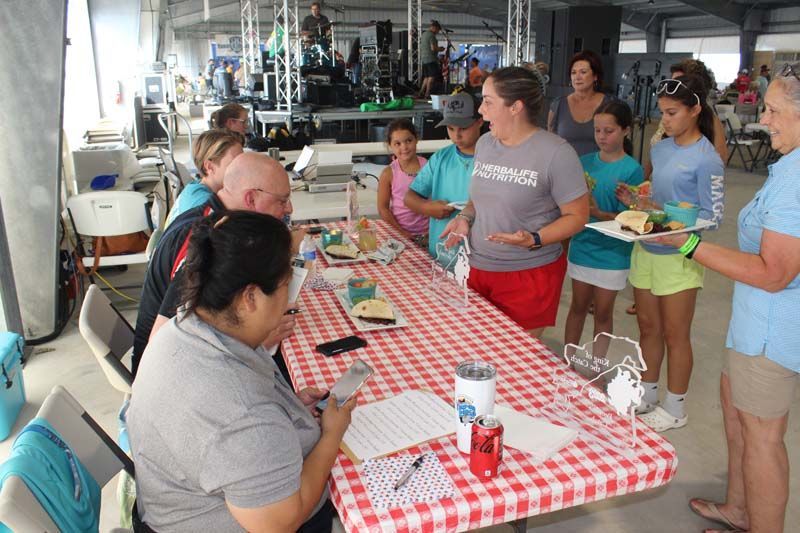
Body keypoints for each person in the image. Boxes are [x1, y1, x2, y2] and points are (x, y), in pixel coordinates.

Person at [128, 210, 356, 532]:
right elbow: (282, 522)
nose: (289, 300)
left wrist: (287, 409)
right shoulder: (242, 414)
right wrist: (332, 435)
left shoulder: (185, 327)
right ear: (250, 298)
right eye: (286, 285)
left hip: (174, 501)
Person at [655, 64, 800, 533]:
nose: (764, 119)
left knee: (762, 437)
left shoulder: (796, 182)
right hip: (752, 323)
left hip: (770, 333)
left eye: (774, 110)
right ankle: (739, 509)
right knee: (738, 420)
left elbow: (774, 273)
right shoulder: (788, 166)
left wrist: (690, 246)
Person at [441, 67, 589, 338]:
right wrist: (465, 218)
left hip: (528, 274)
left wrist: (535, 238)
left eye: (488, 102)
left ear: (515, 107)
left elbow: (578, 216)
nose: (481, 111)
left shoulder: (556, 153)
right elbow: (477, 200)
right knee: (474, 349)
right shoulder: (485, 144)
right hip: (477, 267)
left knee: (514, 357)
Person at [616, 74, 725, 432]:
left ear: (695, 110)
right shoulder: (660, 148)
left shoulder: (707, 159)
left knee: (676, 334)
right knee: (648, 326)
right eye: (662, 112)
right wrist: (637, 200)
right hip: (646, 248)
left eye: (672, 113)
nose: (664, 120)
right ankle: (647, 393)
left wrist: (674, 222)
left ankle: (675, 407)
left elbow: (713, 217)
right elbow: (656, 201)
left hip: (679, 258)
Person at [133, 153, 298, 374]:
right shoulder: (204, 239)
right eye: (282, 200)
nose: (289, 209)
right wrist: (257, 341)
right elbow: (163, 343)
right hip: (169, 372)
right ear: (251, 199)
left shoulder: (222, 221)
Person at [564, 100, 643, 349]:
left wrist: (598, 213)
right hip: (582, 245)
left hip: (613, 252)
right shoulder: (584, 162)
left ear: (626, 130)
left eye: (609, 131)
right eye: (597, 130)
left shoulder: (632, 170)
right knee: (577, 307)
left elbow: (631, 221)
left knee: (603, 313)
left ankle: (597, 366)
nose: (601, 136)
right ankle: (567, 361)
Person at [404, 93, 483, 262]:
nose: (456, 136)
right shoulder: (441, 158)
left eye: (463, 128)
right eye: (451, 129)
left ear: (480, 121)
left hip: (476, 256)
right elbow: (410, 197)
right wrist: (426, 208)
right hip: (441, 253)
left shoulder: (492, 158)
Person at [164, 130, 244, 227]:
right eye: (234, 163)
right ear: (209, 167)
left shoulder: (196, 185)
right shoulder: (204, 205)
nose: (243, 168)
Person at [547, 50, 612, 156]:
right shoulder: (558, 104)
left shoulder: (610, 104)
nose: (577, 77)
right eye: (573, 72)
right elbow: (550, 143)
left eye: (583, 72)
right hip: (565, 164)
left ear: (595, 76)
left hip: (601, 165)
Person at [377, 119, 429, 241]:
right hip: (399, 234)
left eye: (408, 141)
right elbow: (383, 208)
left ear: (416, 139)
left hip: (429, 234)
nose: (404, 147)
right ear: (390, 145)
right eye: (397, 143)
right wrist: (402, 233)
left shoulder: (429, 167)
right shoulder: (388, 173)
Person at [418, 21, 444, 99]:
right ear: (434, 28)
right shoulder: (431, 35)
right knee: (431, 77)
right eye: (437, 30)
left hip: (424, 59)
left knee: (426, 77)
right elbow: (433, 48)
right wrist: (440, 49)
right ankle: (427, 94)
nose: (437, 32)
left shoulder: (424, 34)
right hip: (431, 59)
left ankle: (421, 92)